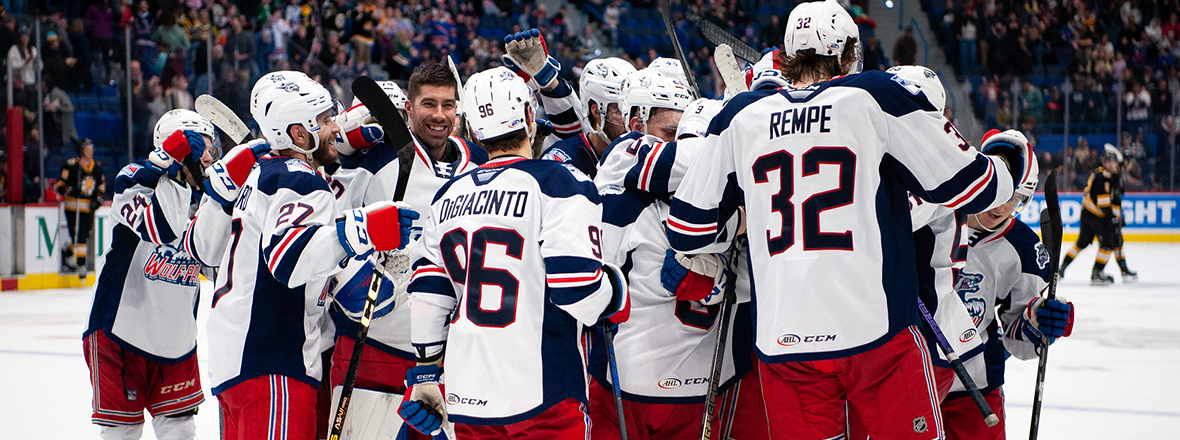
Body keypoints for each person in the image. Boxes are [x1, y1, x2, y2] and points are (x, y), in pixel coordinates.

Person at [664, 1, 1024, 438]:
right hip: (877, 339)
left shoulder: (742, 116)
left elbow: (687, 230)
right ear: (850, 52)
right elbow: (974, 186)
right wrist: (1006, 164)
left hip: (785, 345)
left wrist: (743, 209)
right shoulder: (874, 95)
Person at [399, 66, 630, 439]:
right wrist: (616, 292)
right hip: (544, 393)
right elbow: (579, 289)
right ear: (528, 116)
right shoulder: (559, 181)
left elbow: (429, 292)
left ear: (471, 129)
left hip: (469, 397)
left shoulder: (447, 196)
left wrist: (426, 373)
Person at [203, 71, 414, 440]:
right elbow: (288, 259)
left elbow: (206, 254)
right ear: (299, 134)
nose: (335, 127)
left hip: (240, 368)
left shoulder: (262, 174)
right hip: (272, 364)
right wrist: (363, 231)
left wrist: (364, 277)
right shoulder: (300, 179)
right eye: (325, 120)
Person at [325, 65, 487, 440]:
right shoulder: (373, 160)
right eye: (428, 103)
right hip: (375, 351)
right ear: (408, 108)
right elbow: (329, 236)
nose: (439, 114)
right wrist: (355, 275)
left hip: (452, 361)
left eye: (448, 105)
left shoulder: (479, 162)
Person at [83, 109, 216, 440]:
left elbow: (218, 266)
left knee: (181, 433)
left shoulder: (209, 201)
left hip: (177, 344)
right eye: (206, 148)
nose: (213, 158)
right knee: (121, 435)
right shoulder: (134, 179)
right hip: (120, 335)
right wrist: (170, 165)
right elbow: (160, 227)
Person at [942, 143, 1075, 439]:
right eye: (1000, 191)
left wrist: (1040, 320)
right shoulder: (935, 217)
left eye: (1015, 198)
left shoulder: (1024, 247)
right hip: (910, 375)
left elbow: (1017, 335)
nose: (1002, 206)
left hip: (975, 386)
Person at [540, 57, 637, 178]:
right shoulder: (560, 164)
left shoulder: (642, 156)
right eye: (620, 110)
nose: (630, 121)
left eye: (633, 110)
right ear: (596, 111)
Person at [1060, 144, 1136, 284]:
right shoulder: (1104, 176)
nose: (1115, 164)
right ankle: (1097, 272)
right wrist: (1112, 217)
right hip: (1096, 215)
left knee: (1082, 242)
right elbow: (1105, 201)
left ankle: (1061, 268)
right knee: (1108, 242)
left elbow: (1113, 200)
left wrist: (1117, 216)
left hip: (1089, 213)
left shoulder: (1107, 174)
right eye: (1112, 162)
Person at [55, 139, 105, 273]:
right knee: (80, 235)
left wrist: (98, 198)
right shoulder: (72, 166)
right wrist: (71, 191)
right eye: (88, 148)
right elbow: (60, 187)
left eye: (92, 148)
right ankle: (81, 265)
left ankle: (67, 253)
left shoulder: (97, 167)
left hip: (88, 208)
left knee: (83, 235)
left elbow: (101, 186)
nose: (91, 151)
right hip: (73, 207)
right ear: (82, 150)